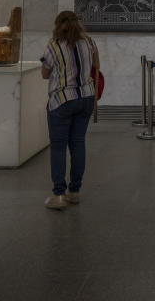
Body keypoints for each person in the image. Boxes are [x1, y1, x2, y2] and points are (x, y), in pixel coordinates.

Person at [40, 11, 99, 210]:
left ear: (57, 25)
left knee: (58, 147)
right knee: (78, 144)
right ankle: (74, 192)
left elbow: (44, 74)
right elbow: (95, 66)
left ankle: (58, 195)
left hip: (62, 100)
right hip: (86, 98)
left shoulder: (54, 46)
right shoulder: (89, 42)